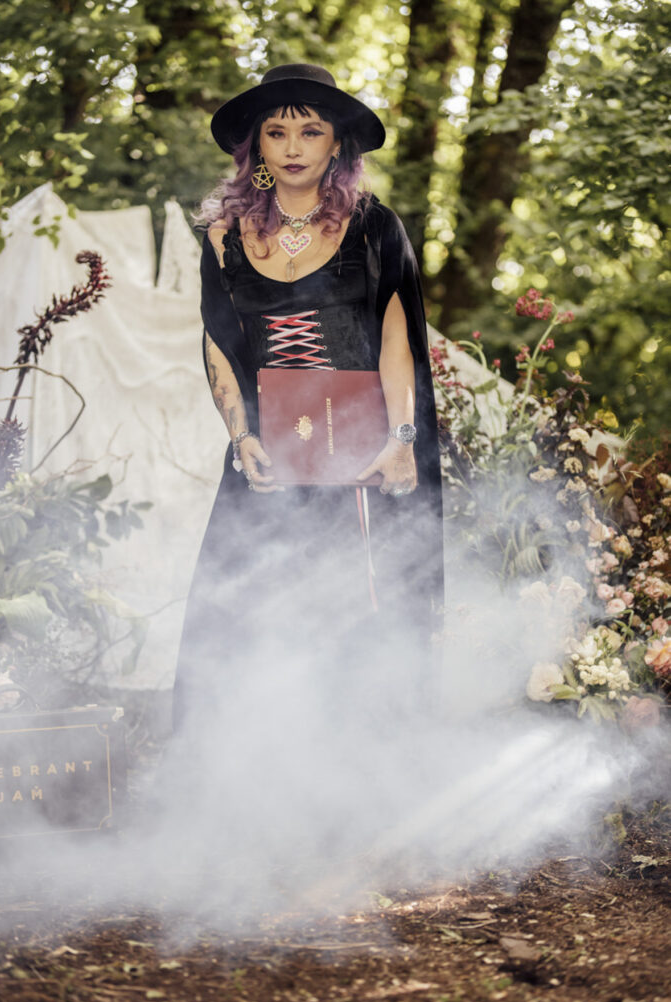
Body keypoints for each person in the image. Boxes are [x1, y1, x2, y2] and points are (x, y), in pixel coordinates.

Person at [173, 64, 444, 734]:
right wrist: (242, 440)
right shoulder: (222, 235)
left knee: (355, 610)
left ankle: (359, 777)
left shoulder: (374, 227)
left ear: (336, 144)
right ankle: (250, 774)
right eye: (276, 132)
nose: (293, 146)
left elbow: (397, 344)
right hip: (269, 453)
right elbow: (219, 346)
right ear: (256, 147)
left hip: (361, 458)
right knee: (249, 610)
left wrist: (402, 443)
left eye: (310, 130)